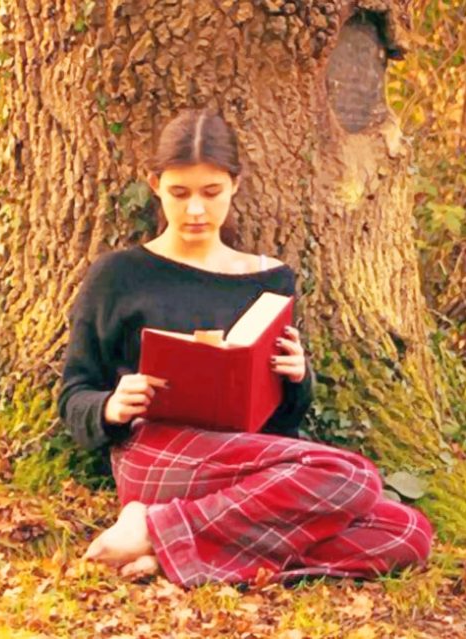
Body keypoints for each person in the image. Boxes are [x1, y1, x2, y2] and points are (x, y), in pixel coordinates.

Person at [57, 107, 433, 588]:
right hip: (157, 455)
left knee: (406, 531)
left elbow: (281, 423)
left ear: (235, 184)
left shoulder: (269, 279)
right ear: (154, 185)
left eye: (212, 192)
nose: (196, 209)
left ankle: (164, 544)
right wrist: (109, 405)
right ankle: (164, 528)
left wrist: (297, 377)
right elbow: (74, 393)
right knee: (354, 477)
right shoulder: (118, 275)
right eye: (180, 193)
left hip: (250, 462)